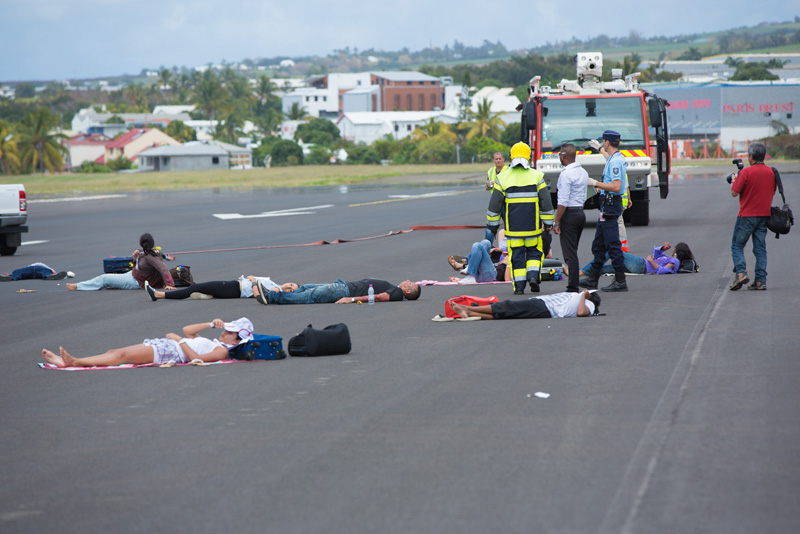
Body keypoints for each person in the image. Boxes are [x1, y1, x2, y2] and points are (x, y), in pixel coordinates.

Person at [41, 317, 254, 368]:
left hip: (171, 352)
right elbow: (188, 331)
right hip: (168, 345)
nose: (225, 331)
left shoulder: (222, 352)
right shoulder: (214, 339)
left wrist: (180, 342)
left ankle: (74, 362)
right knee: (115, 351)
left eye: (229, 331)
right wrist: (210, 323)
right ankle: (70, 361)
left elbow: (196, 359)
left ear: (237, 339)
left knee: (120, 357)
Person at [486, 141, 555, 294]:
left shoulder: (503, 177)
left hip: (513, 230)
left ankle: (519, 288)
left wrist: (492, 226)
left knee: (516, 257)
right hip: (533, 229)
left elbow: (494, 206)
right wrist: (549, 222)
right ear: (528, 157)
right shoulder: (537, 176)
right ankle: (532, 276)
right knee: (534, 253)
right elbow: (546, 202)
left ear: (511, 157)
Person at [581, 130, 628, 292]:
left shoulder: (615, 162)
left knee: (613, 244)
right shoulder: (614, 158)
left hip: (610, 205)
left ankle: (620, 280)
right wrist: (599, 148)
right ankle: (593, 279)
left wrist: (595, 182)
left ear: (607, 141)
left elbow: (616, 186)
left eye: (603, 141)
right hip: (606, 205)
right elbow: (608, 158)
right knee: (599, 245)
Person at [729, 142, 776, 291]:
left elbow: (734, 192)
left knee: (737, 245)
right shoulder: (771, 172)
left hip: (747, 216)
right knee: (760, 249)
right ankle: (760, 281)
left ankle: (741, 272)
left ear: (751, 157)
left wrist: (735, 180)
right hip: (764, 216)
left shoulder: (746, 172)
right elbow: (772, 192)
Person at [66, 233, 174, 291]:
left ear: (141, 244)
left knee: (104, 278)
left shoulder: (150, 256)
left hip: (136, 281)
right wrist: (136, 258)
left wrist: (169, 284)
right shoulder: (149, 252)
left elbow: (163, 267)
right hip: (134, 275)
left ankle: (77, 286)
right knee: (111, 277)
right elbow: (140, 266)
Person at [553, 144, 588, 293]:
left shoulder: (566, 174)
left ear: (563, 156)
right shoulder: (583, 172)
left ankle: (572, 287)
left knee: (570, 254)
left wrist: (556, 221)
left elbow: (563, 201)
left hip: (569, 215)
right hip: (580, 212)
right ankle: (573, 285)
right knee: (573, 251)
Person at [449, 290, 600, 320]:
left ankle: (468, 308)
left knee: (508, 306)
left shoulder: (589, 304)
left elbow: (581, 313)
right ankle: (470, 314)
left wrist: (584, 295)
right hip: (542, 305)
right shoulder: (579, 297)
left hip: (546, 307)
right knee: (509, 313)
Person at [254, 278, 420, 305]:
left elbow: (379, 297)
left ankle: (272, 297)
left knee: (310, 296)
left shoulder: (397, 294)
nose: (408, 281)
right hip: (343, 286)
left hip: (344, 291)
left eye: (411, 284)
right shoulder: (396, 289)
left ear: (408, 291)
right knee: (305, 288)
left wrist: (352, 300)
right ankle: (272, 294)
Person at [579, 242, 697, 276]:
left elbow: (662, 271)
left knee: (613, 251)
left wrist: (651, 261)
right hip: (639, 267)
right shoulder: (670, 258)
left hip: (641, 264)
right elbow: (655, 253)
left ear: (676, 251)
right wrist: (663, 248)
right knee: (607, 269)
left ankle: (583, 271)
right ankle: (584, 272)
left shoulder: (674, 262)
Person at [144, 275, 298, 301]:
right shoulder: (275, 284)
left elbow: (258, 293)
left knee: (194, 287)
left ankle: (159, 295)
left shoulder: (275, 291)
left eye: (291, 289)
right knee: (199, 289)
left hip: (233, 289)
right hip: (233, 285)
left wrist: (252, 281)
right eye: (291, 284)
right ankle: (204, 295)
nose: (288, 287)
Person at [0, 262, 72, 281]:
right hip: (38, 270)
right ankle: (49, 276)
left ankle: (11, 277)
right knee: (45, 272)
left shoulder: (36, 265)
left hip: (29, 270)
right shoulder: (46, 267)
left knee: (19, 272)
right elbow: (53, 270)